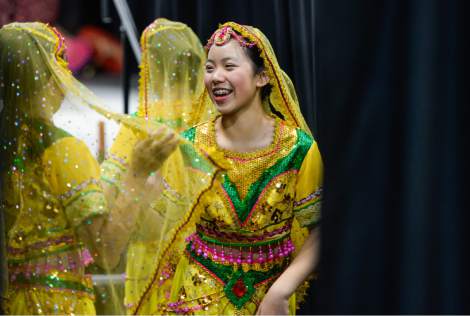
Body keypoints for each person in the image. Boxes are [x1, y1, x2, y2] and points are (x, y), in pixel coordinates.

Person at [125, 21, 323, 315]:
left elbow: (321, 229)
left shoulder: (299, 150)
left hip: (268, 300)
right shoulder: (190, 146)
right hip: (196, 296)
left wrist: (281, 291)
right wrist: (138, 181)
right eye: (209, 68)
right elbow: (160, 227)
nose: (216, 77)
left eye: (229, 66)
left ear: (263, 76)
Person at [0, 22, 174, 315]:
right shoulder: (63, 151)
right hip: (57, 305)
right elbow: (106, 251)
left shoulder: (9, 144)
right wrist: (137, 173)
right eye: (62, 63)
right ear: (49, 75)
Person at [99, 17, 208, 312]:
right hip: (207, 260)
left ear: (150, 66)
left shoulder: (140, 124)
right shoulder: (213, 121)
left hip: (151, 262)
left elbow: (109, 188)